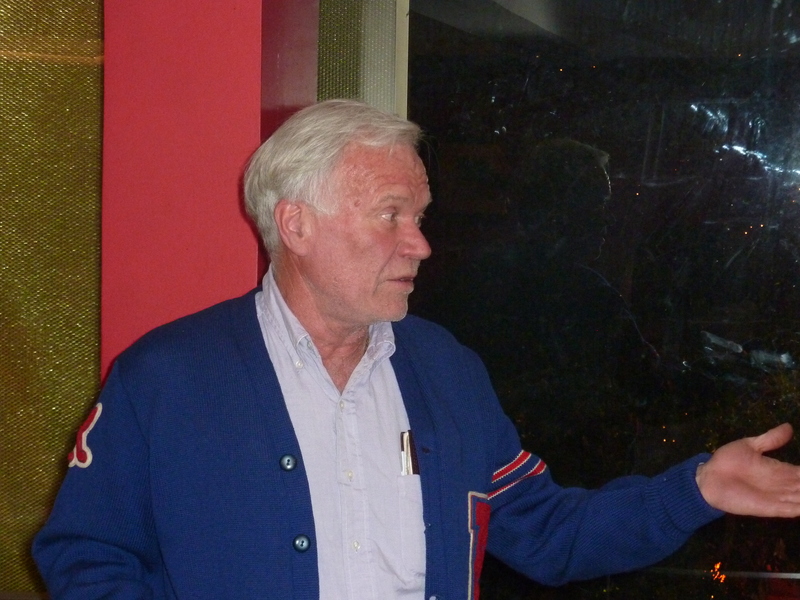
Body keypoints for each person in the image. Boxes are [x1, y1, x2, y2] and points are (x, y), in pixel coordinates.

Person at [32, 99, 800, 600]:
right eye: (391, 214)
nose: (421, 244)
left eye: (420, 215)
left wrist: (695, 490)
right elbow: (85, 554)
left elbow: (548, 533)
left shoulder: (445, 372)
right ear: (296, 225)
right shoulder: (166, 378)